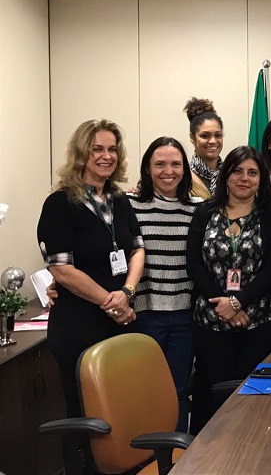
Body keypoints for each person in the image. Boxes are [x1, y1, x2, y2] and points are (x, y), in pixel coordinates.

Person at [37, 119, 144, 474]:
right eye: (97, 148)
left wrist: (126, 293)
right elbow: (62, 270)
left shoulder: (118, 200)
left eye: (112, 149)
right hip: (80, 325)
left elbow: (138, 250)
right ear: (81, 153)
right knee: (85, 412)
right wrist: (111, 303)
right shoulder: (60, 204)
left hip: (120, 318)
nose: (106, 156)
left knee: (121, 406)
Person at [187, 146, 271, 434]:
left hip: (259, 322)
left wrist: (238, 301)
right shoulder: (204, 211)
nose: (245, 178)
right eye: (238, 171)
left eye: (252, 172)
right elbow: (194, 262)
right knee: (212, 395)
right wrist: (224, 306)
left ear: (261, 178)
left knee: (254, 398)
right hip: (210, 322)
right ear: (226, 175)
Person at [128, 136, 199, 433]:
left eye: (175, 164)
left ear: (185, 169)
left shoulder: (198, 209)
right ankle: (142, 459)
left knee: (177, 390)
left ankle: (177, 459)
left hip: (184, 316)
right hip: (144, 314)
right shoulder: (128, 205)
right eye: (159, 164)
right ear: (147, 168)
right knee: (141, 392)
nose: (168, 171)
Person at [184, 97, 224, 200]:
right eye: (205, 136)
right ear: (192, 137)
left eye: (218, 135)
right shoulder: (182, 176)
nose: (213, 141)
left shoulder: (231, 175)